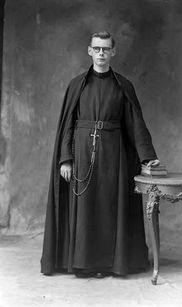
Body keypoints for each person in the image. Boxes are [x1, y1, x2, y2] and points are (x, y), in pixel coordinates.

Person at [41, 31, 159, 278]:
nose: (101, 53)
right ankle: (84, 264)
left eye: (106, 49)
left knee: (109, 209)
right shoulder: (77, 85)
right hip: (81, 155)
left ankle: (111, 264)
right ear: (89, 51)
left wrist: (147, 156)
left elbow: (135, 123)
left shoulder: (123, 86)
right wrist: (66, 158)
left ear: (113, 52)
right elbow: (68, 126)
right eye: (97, 49)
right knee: (84, 211)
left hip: (114, 158)